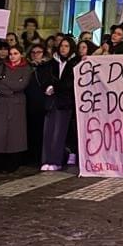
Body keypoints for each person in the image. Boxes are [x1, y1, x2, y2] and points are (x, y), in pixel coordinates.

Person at [0, 44, 30, 174]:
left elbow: (21, 85)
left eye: (15, 54)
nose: (12, 56)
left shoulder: (26, 68)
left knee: (15, 134)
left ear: (21, 54)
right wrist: (9, 90)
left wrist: (4, 82)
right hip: (1, 103)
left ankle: (11, 163)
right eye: (11, 54)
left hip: (17, 104)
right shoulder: (2, 67)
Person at [40, 36, 78, 171]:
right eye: (62, 45)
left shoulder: (75, 63)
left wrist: (56, 87)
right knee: (48, 131)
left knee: (59, 133)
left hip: (65, 102)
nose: (63, 48)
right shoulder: (51, 63)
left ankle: (56, 160)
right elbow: (45, 78)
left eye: (67, 46)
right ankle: (46, 160)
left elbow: (71, 82)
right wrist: (48, 87)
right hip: (51, 101)